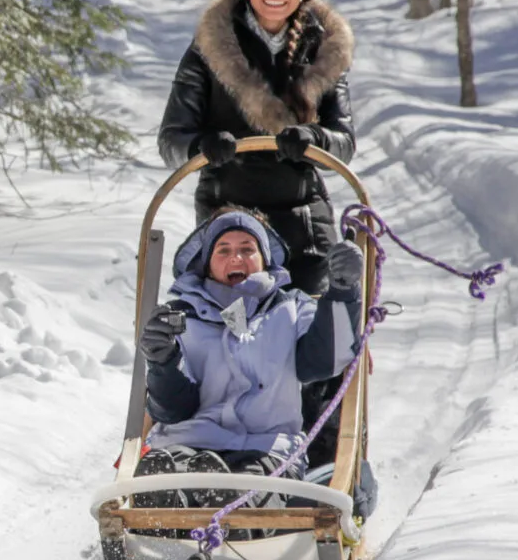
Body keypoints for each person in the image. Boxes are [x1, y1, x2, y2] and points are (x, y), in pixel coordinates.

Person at [157, 0, 356, 296]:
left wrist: (315, 140)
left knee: (317, 315)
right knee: (231, 317)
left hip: (303, 217)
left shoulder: (325, 49)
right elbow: (171, 140)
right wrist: (203, 145)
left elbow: (343, 144)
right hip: (227, 216)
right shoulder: (209, 48)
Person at [134, 208, 367, 509]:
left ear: (264, 260)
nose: (236, 258)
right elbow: (173, 409)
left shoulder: (291, 308)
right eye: (224, 250)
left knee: (245, 486)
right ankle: (160, 519)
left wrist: (342, 290)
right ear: (207, 264)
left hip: (265, 449)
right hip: (188, 442)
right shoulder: (180, 316)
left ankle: (231, 518)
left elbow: (325, 361)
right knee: (169, 472)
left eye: (247, 249)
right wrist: (162, 361)